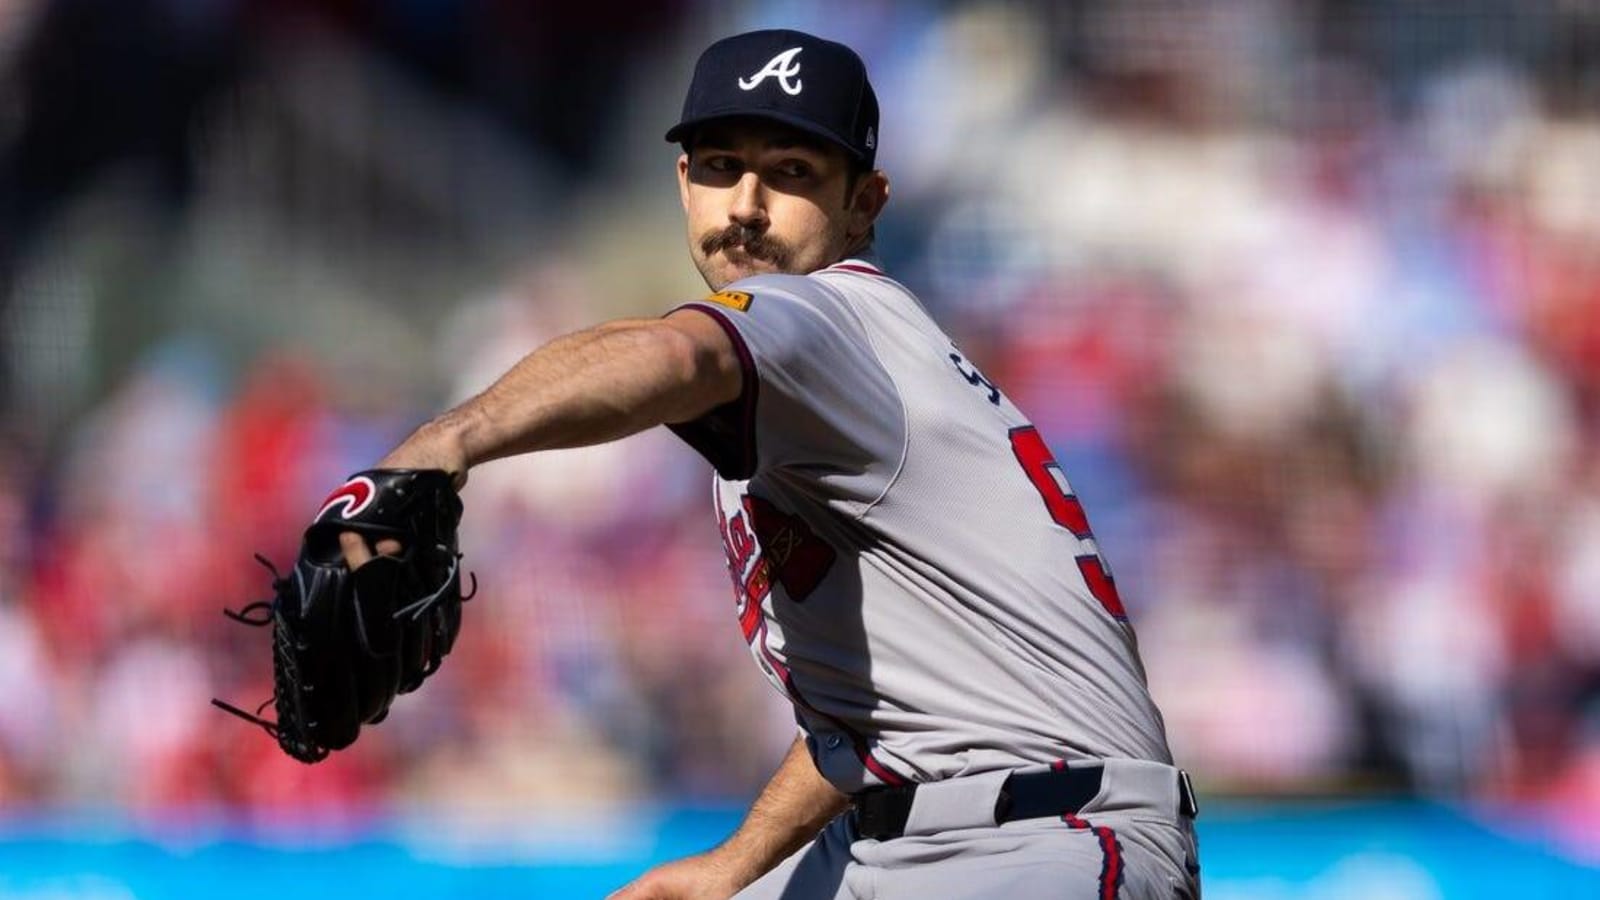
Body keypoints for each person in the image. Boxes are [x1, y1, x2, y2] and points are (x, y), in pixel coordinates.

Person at [341, 29, 1200, 900]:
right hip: (933, 834)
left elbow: (675, 357)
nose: (745, 204)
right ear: (683, 184)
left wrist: (437, 447)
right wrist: (732, 867)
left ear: (865, 203)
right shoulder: (814, 398)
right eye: (720, 165)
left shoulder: (829, 317)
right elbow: (872, 722)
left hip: (1034, 839)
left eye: (791, 172)